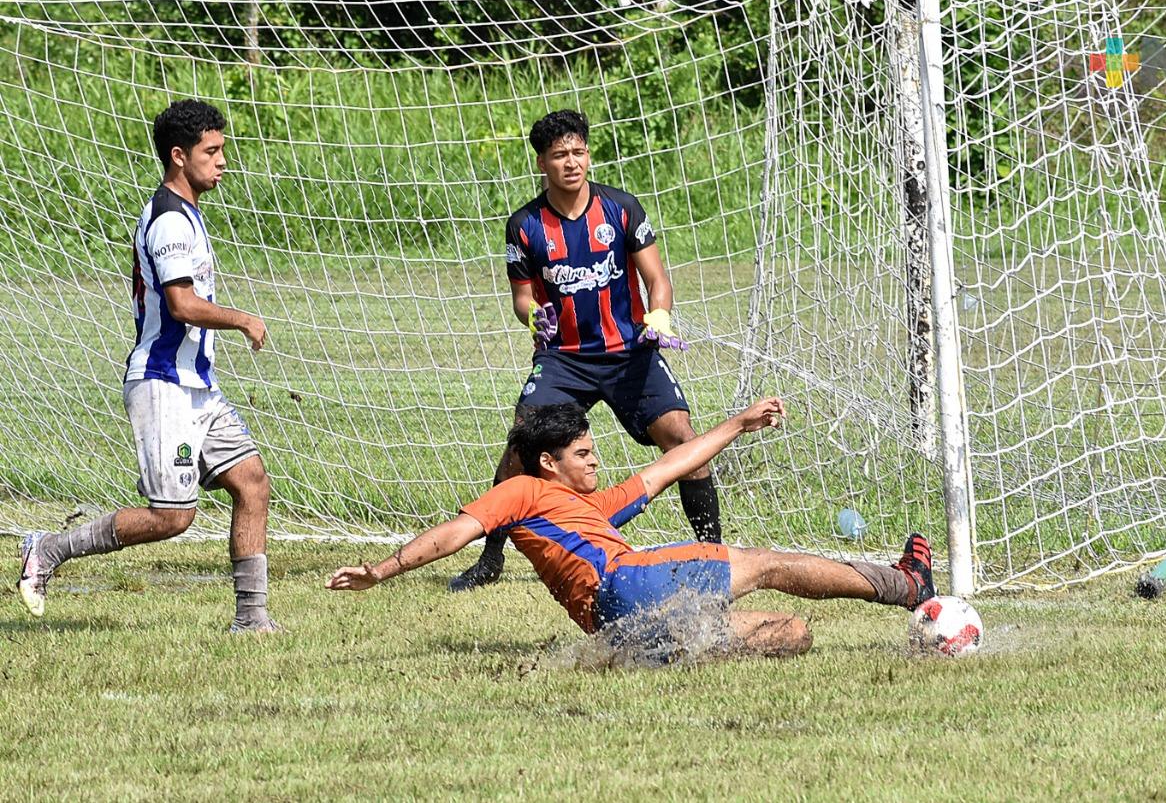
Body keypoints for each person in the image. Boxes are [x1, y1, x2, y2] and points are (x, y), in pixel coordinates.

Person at [326, 399, 935, 659]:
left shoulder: (593, 507)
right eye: (584, 454)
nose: (595, 461)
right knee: (766, 563)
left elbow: (671, 464)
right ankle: (906, 585)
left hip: (615, 619)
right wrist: (384, 569)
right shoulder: (524, 491)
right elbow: (456, 532)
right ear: (550, 462)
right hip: (624, 583)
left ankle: (648, 656)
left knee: (792, 634)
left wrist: (736, 424)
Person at [16, 99, 281, 633]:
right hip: (163, 387)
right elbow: (181, 305)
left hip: (198, 388)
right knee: (172, 517)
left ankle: (252, 621)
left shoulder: (188, 213)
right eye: (213, 151)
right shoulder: (167, 222)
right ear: (179, 157)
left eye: (222, 149)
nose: (222, 161)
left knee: (252, 483)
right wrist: (244, 319)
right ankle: (47, 549)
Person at [450, 108, 721, 592]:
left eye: (578, 152)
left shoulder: (621, 209)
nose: (571, 162)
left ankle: (714, 552)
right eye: (559, 155)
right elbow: (521, 299)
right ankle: (490, 559)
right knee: (521, 447)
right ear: (542, 164)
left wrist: (658, 316)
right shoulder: (524, 226)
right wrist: (534, 316)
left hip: (629, 353)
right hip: (563, 360)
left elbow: (657, 279)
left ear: (588, 155)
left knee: (685, 441)